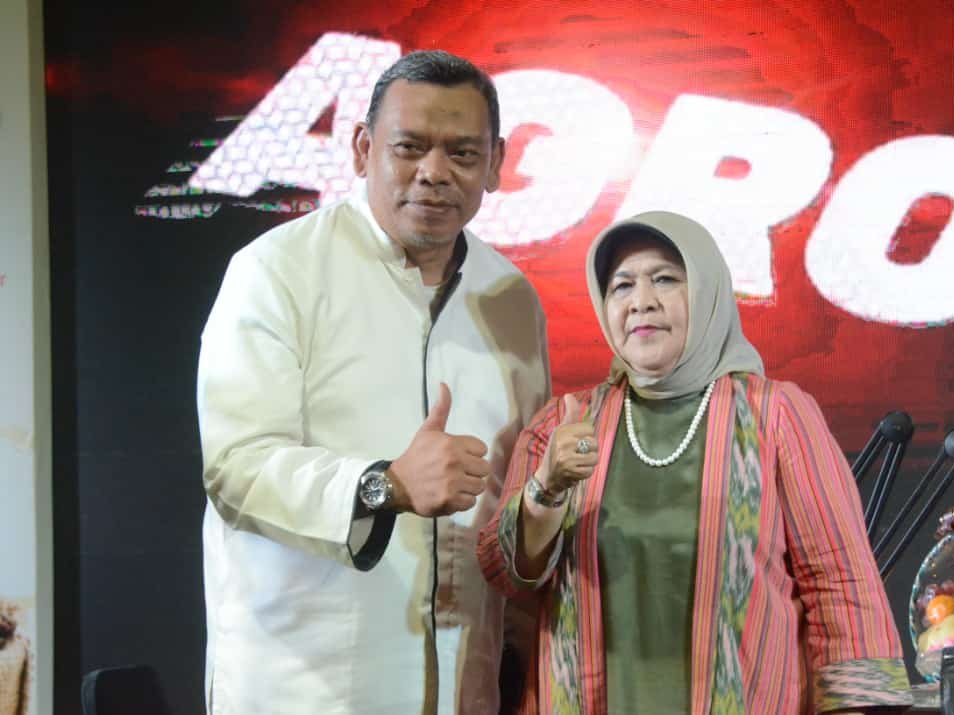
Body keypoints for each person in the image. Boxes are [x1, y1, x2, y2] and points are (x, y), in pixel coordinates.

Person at [197, 50, 550, 714]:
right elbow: (236, 466)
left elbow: (516, 493)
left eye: (463, 153)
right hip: (310, 687)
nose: (434, 172)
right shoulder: (276, 270)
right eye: (409, 147)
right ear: (363, 149)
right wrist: (383, 485)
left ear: (496, 163)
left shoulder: (512, 298)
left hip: (463, 682)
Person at [477, 211, 913, 714]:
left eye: (665, 279)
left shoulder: (776, 415)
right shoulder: (564, 423)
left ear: (708, 292)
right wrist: (546, 489)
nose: (642, 300)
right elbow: (504, 575)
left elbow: (839, 581)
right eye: (622, 286)